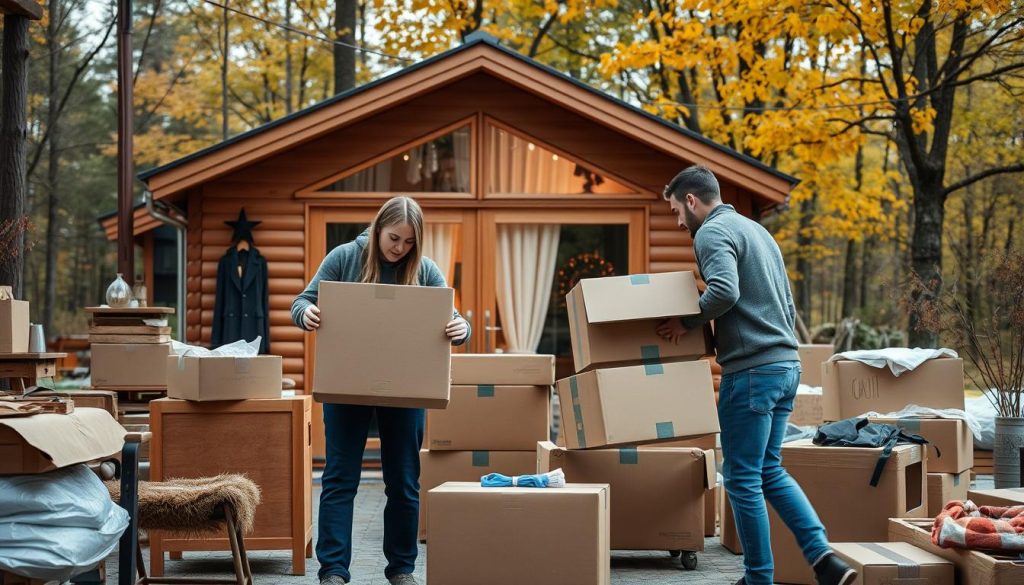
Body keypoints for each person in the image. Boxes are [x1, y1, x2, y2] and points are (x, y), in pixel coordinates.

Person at [655, 166, 855, 585]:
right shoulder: (757, 232)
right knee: (769, 471)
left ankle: (758, 578)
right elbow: (787, 302)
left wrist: (686, 322)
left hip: (751, 372)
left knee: (742, 476)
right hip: (785, 365)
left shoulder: (711, 232)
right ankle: (824, 560)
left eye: (676, 210)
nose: (676, 222)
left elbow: (725, 291)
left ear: (692, 200)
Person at [291, 196, 470, 585]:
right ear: (377, 230)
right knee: (340, 479)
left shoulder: (423, 269)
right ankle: (334, 572)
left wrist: (462, 328)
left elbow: (452, 314)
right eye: (394, 238)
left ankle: (401, 569)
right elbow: (302, 301)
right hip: (346, 388)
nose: (399, 249)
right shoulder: (343, 257)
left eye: (408, 242)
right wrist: (306, 313)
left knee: (403, 481)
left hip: (405, 391)